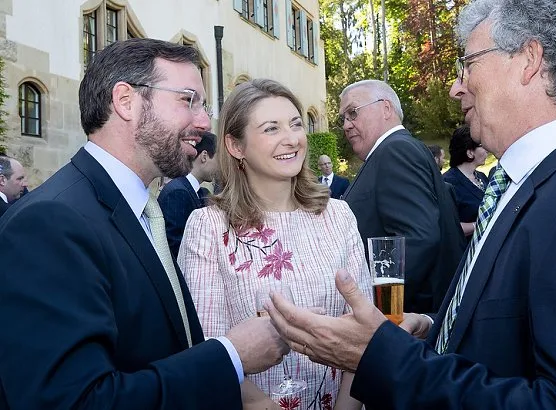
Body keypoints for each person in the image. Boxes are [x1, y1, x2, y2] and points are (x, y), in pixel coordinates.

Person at [264, 0, 556, 407]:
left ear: (528, 59)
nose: (457, 87)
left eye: (468, 65)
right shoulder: (528, 182)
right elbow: (513, 330)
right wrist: (436, 329)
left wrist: (382, 357)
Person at [0, 39, 289, 409]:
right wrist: (232, 356)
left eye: (204, 105)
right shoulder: (49, 224)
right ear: (126, 101)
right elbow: (76, 401)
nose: (203, 122)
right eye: (188, 100)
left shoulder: (139, 210)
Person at [178, 78, 371, 410]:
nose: (291, 138)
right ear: (236, 146)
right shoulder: (208, 227)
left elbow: (365, 333)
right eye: (271, 129)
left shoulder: (338, 216)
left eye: (296, 124)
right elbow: (206, 348)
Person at [340, 79, 466, 314]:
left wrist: (380, 312)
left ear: (386, 108)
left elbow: (417, 239)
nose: (347, 125)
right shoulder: (395, 150)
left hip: (407, 320)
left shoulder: (395, 150)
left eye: (353, 112)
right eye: (343, 118)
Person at [158, 131, 217, 259]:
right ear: (204, 156)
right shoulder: (177, 192)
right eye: (219, 160)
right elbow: (174, 246)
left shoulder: (199, 192)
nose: (221, 167)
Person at [443, 126, 489, 237]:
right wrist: (481, 225)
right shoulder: (448, 183)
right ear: (470, 153)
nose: (487, 149)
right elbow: (448, 226)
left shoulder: (482, 177)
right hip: (465, 250)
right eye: (482, 145)